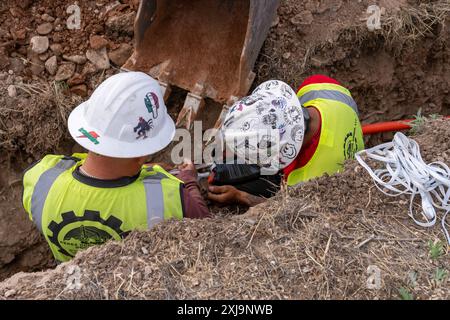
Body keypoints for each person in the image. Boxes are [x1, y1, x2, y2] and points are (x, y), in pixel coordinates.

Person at [22, 72, 210, 262]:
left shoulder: (41, 179)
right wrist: (189, 181)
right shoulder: (170, 198)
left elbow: (76, 168)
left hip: (70, 277)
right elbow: (205, 226)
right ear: (140, 155)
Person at [208, 75, 364, 206]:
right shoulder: (318, 86)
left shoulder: (306, 181)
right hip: (344, 121)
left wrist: (241, 196)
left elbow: (285, 210)